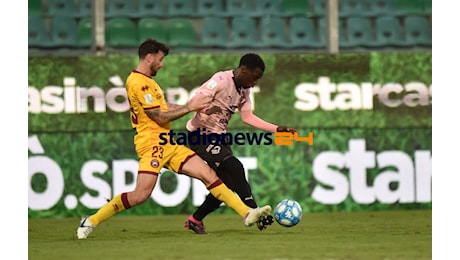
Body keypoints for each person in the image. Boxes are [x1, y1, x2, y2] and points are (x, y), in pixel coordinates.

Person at [76, 39, 272, 239]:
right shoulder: (137, 82)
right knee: (140, 195)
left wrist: (196, 106)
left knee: (210, 175)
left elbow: (164, 107)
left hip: (168, 142)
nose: (161, 64)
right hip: (151, 144)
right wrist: (189, 108)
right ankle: (92, 220)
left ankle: (247, 213)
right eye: (160, 60)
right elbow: (158, 116)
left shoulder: (149, 82)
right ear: (150, 57)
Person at [183, 53, 297, 234]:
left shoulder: (244, 90)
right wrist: (205, 108)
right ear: (244, 70)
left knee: (225, 185)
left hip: (218, 137)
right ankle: (254, 210)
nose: (255, 83)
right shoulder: (219, 80)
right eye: (254, 78)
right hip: (200, 135)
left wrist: (277, 129)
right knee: (235, 167)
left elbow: (248, 117)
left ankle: (195, 219)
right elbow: (193, 102)